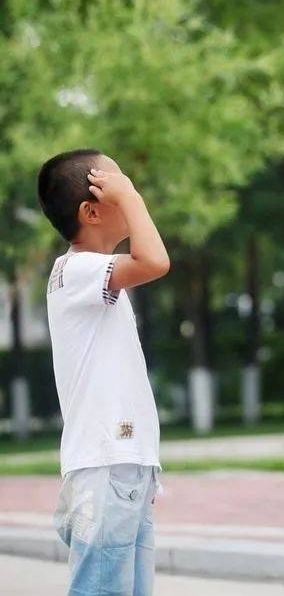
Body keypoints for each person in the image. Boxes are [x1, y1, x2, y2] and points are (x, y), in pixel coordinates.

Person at [37, 148, 170, 596]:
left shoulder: (92, 275)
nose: (129, 189)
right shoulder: (76, 271)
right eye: (116, 185)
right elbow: (155, 261)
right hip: (106, 463)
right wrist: (133, 199)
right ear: (91, 211)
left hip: (120, 462)